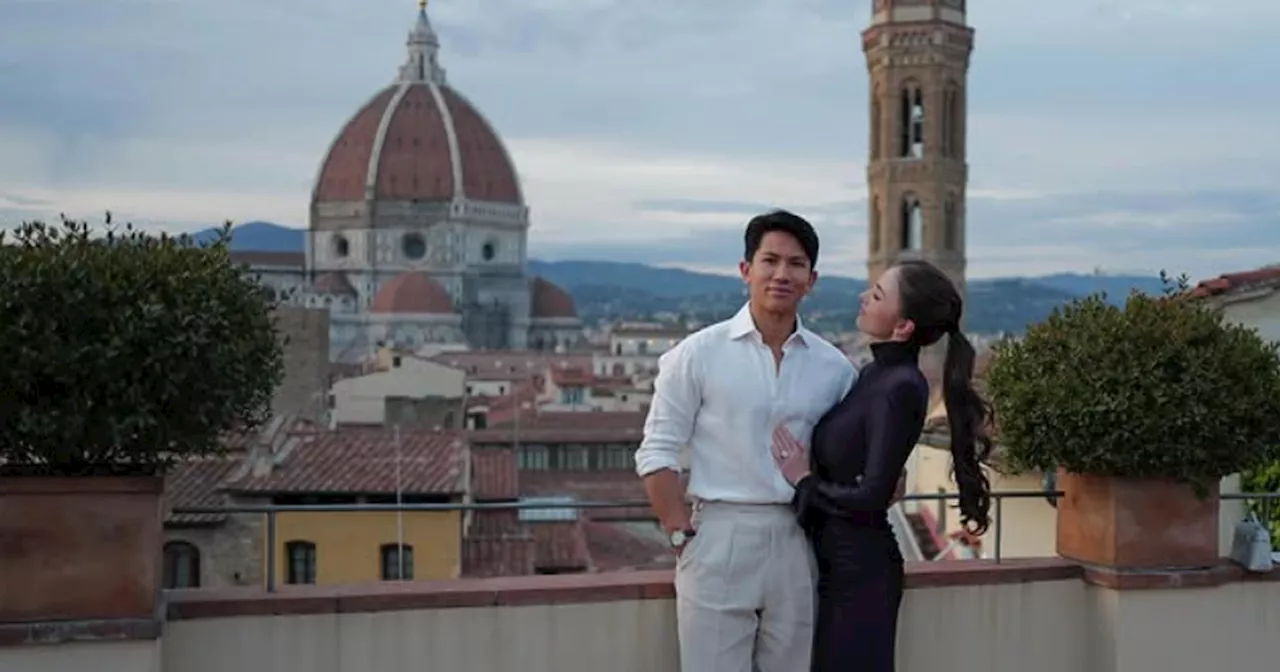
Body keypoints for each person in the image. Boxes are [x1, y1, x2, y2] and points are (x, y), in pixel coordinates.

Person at [634, 209, 902, 672]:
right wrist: (681, 535)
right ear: (746, 270)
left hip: (800, 535)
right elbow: (657, 450)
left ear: (812, 279)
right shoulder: (697, 354)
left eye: (796, 264)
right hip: (719, 531)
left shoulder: (833, 367)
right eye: (769, 260)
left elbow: (858, 457)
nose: (782, 274)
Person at [771, 258, 994, 672]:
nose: (863, 297)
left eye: (876, 295)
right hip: (838, 563)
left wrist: (804, 481)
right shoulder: (876, 375)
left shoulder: (900, 386)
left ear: (903, 326)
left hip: (859, 574)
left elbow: (872, 496)